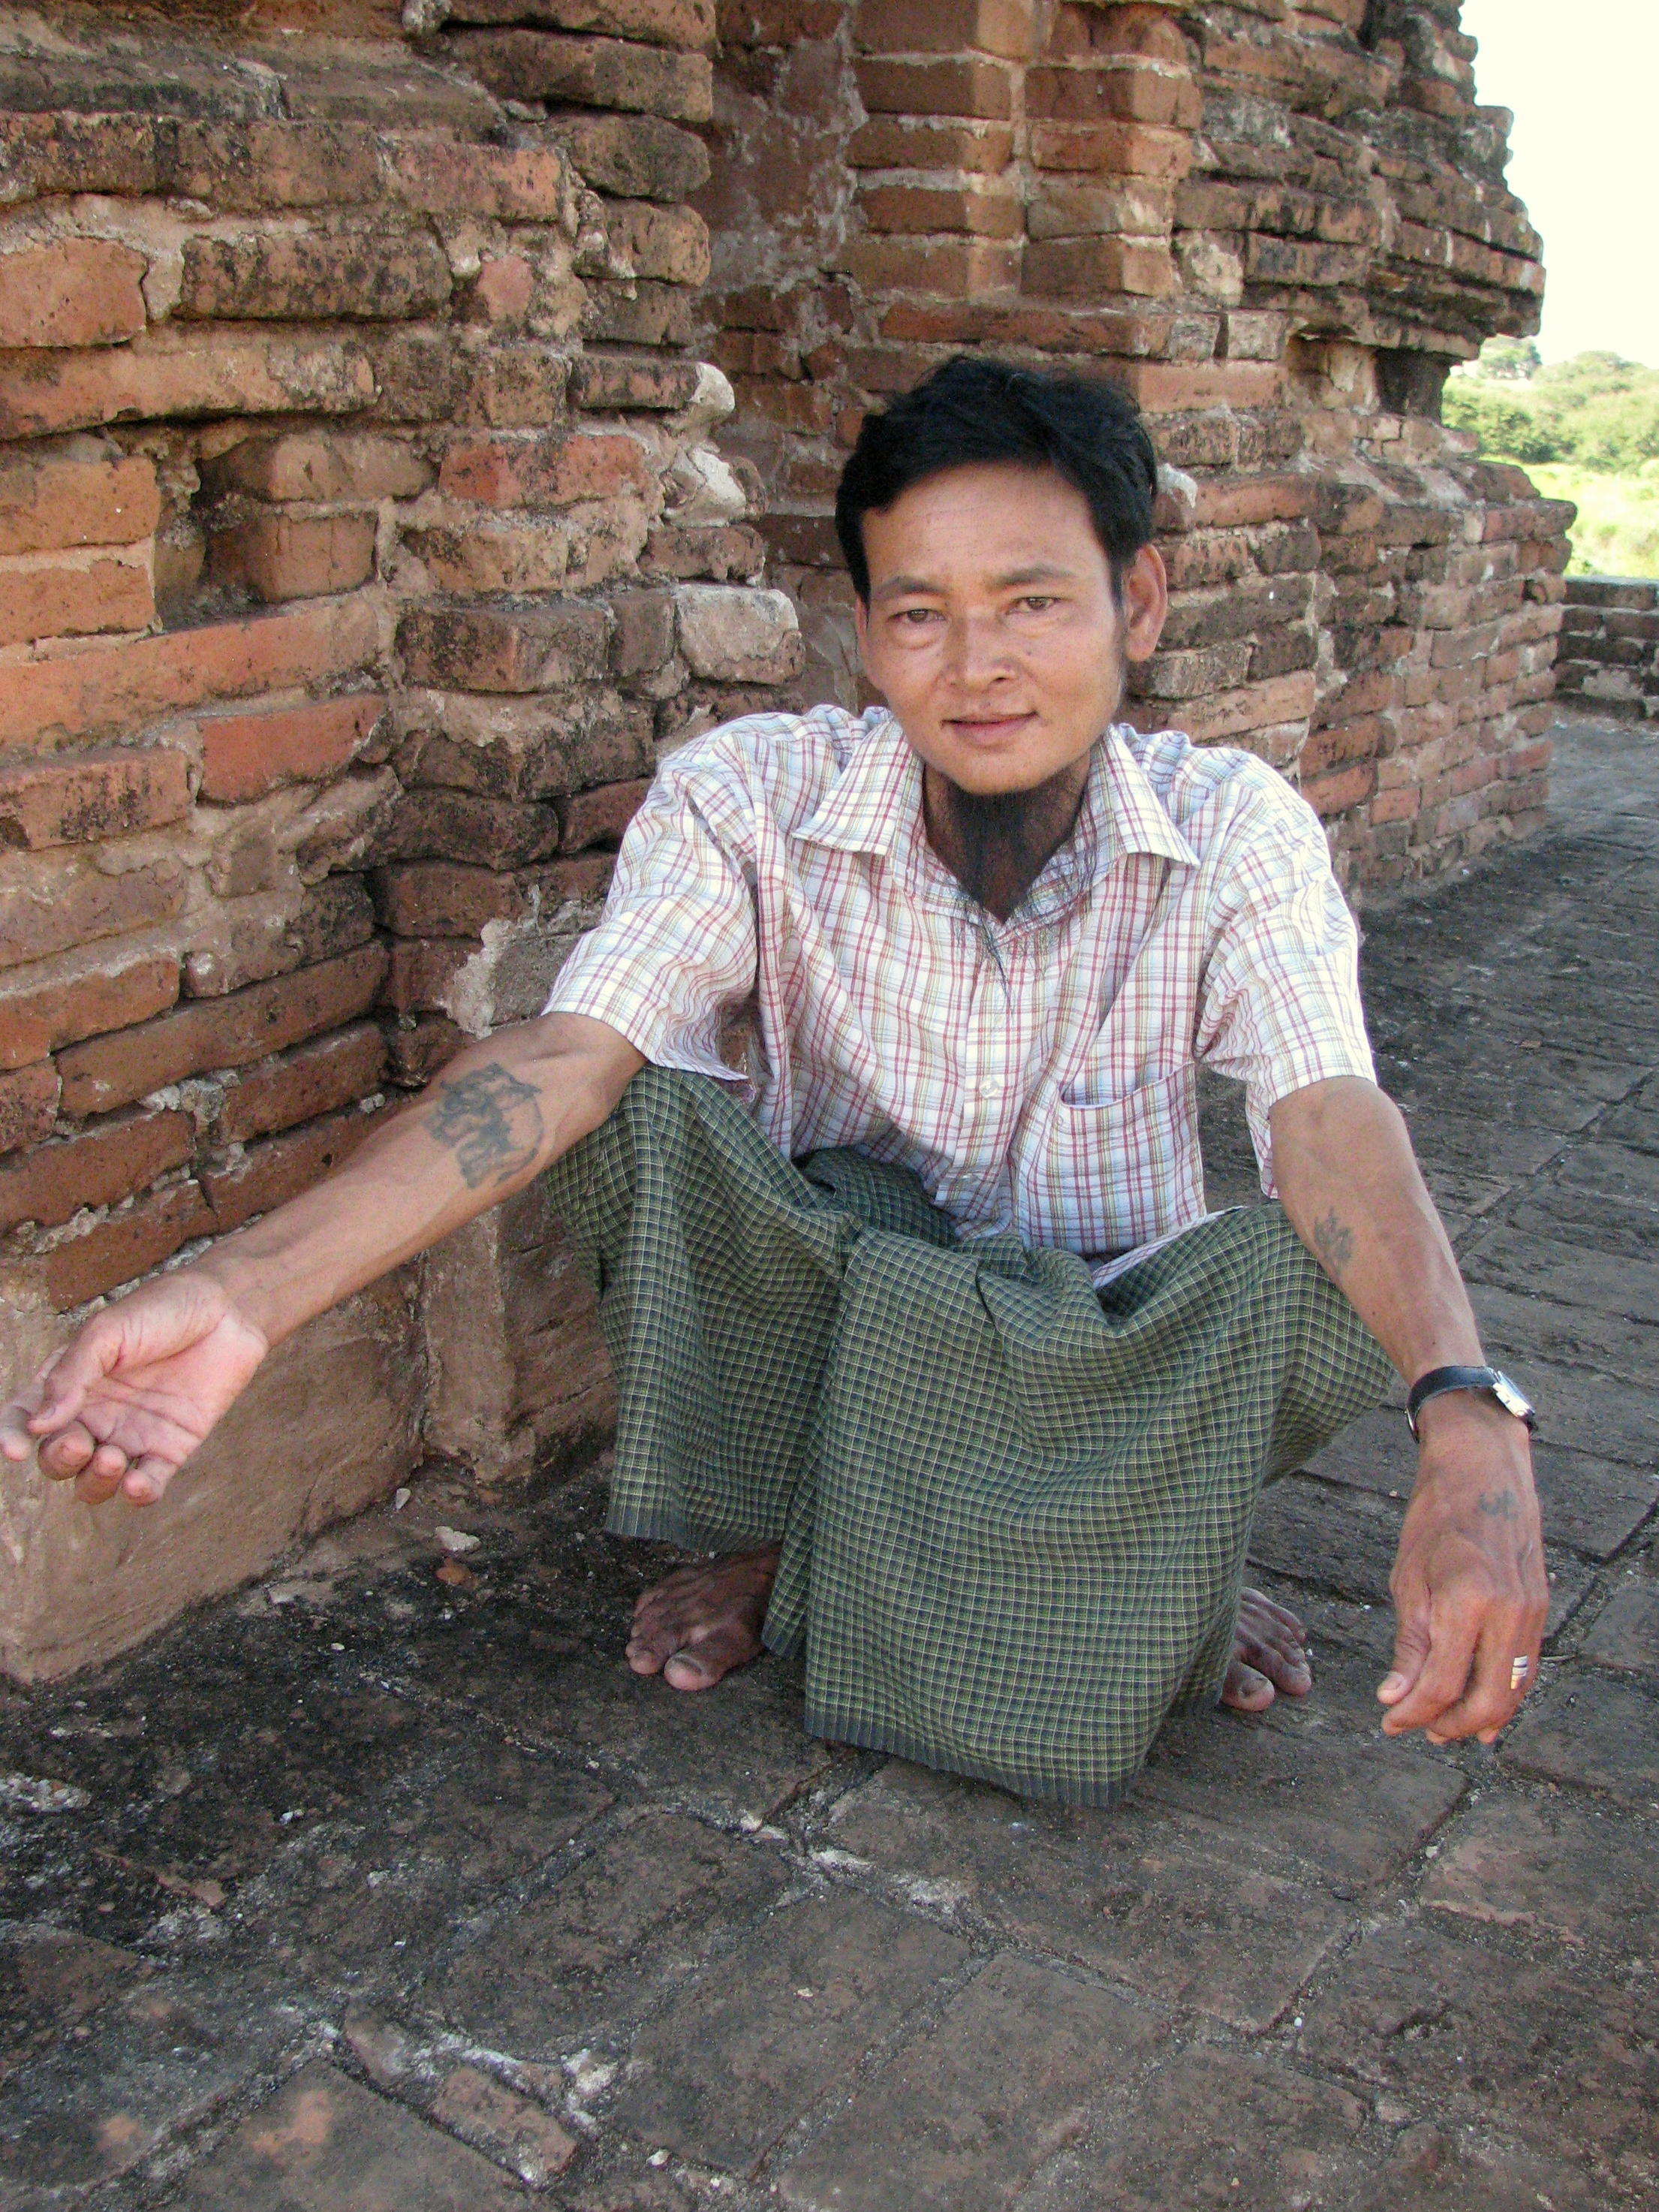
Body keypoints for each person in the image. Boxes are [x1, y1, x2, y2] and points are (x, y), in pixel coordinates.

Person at [1, 357, 1546, 1805]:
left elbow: (1327, 1112)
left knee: (1315, 1258)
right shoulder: (753, 797)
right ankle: (952, 1535)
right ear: (863, 633)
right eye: (921, 614)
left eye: (1033, 602)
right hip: (840, 1295)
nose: (979, 665)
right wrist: (250, 1291)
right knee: (649, 1113)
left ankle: (1042, 1535)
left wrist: (1468, 1423)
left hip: (1097, 1349)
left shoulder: (1236, 827)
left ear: (1138, 601)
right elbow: (564, 1056)